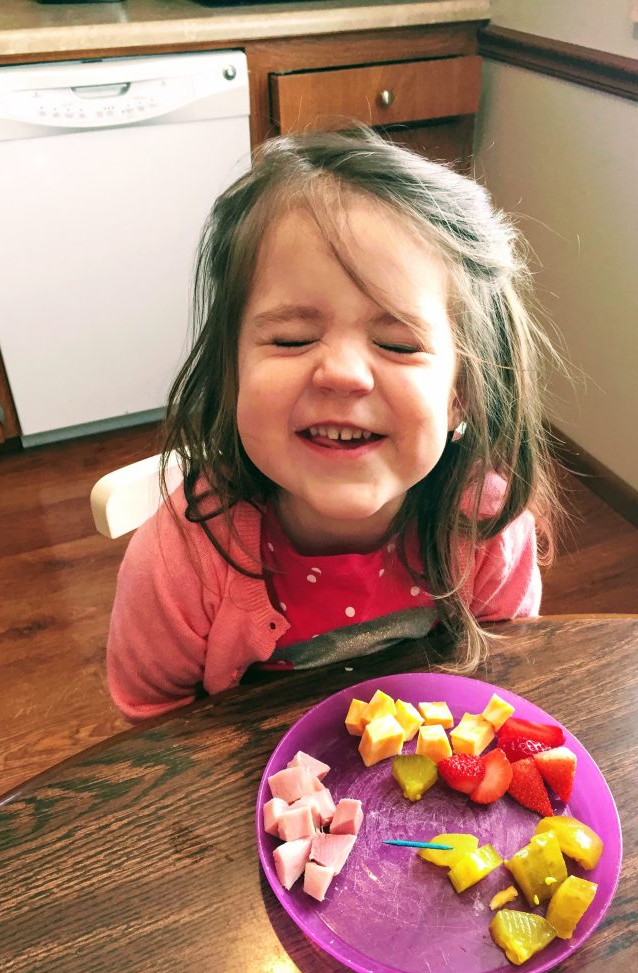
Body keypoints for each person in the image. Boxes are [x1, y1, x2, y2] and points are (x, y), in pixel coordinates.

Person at [106, 127, 560, 722]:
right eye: (293, 338)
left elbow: (500, 680)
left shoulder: (487, 525)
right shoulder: (182, 560)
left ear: (462, 395)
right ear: (231, 372)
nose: (343, 375)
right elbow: (151, 718)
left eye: (398, 344)